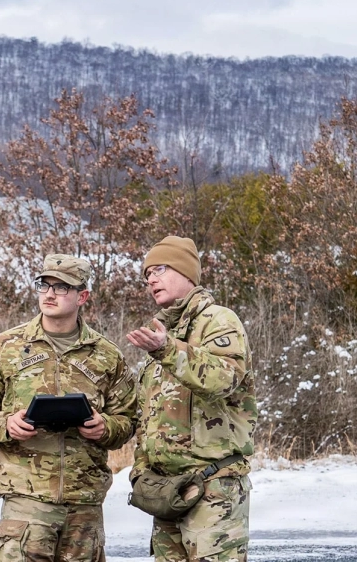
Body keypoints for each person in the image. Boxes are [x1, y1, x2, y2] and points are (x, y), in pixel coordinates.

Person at [0, 254, 138, 562]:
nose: (50, 293)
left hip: (84, 503)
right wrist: (5, 424)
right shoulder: (5, 347)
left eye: (62, 287)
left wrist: (105, 427)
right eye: (44, 285)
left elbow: (128, 418)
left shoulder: (107, 355)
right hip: (26, 500)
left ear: (82, 296)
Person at [125, 236, 257, 562]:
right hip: (167, 492)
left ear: (187, 273)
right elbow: (149, 414)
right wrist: (141, 472)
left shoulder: (218, 320)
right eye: (146, 275)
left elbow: (223, 379)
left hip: (212, 488)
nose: (151, 279)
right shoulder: (162, 333)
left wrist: (166, 350)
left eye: (159, 269)